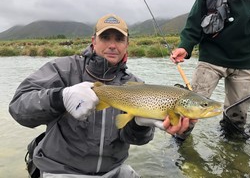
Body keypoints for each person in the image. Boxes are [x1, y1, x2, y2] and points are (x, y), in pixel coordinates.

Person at [9, 14, 193, 178]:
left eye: (119, 39)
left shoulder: (136, 85)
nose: (112, 45)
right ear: (93, 41)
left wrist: (139, 126)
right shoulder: (63, 69)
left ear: (127, 44)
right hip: (61, 171)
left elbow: (137, 140)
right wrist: (60, 97)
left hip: (113, 171)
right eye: (105, 37)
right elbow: (18, 108)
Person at [171, 0, 250, 136]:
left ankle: (232, 152)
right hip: (211, 60)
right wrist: (185, 46)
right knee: (188, 111)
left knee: (237, 120)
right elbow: (194, 23)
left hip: (245, 62)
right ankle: (179, 145)